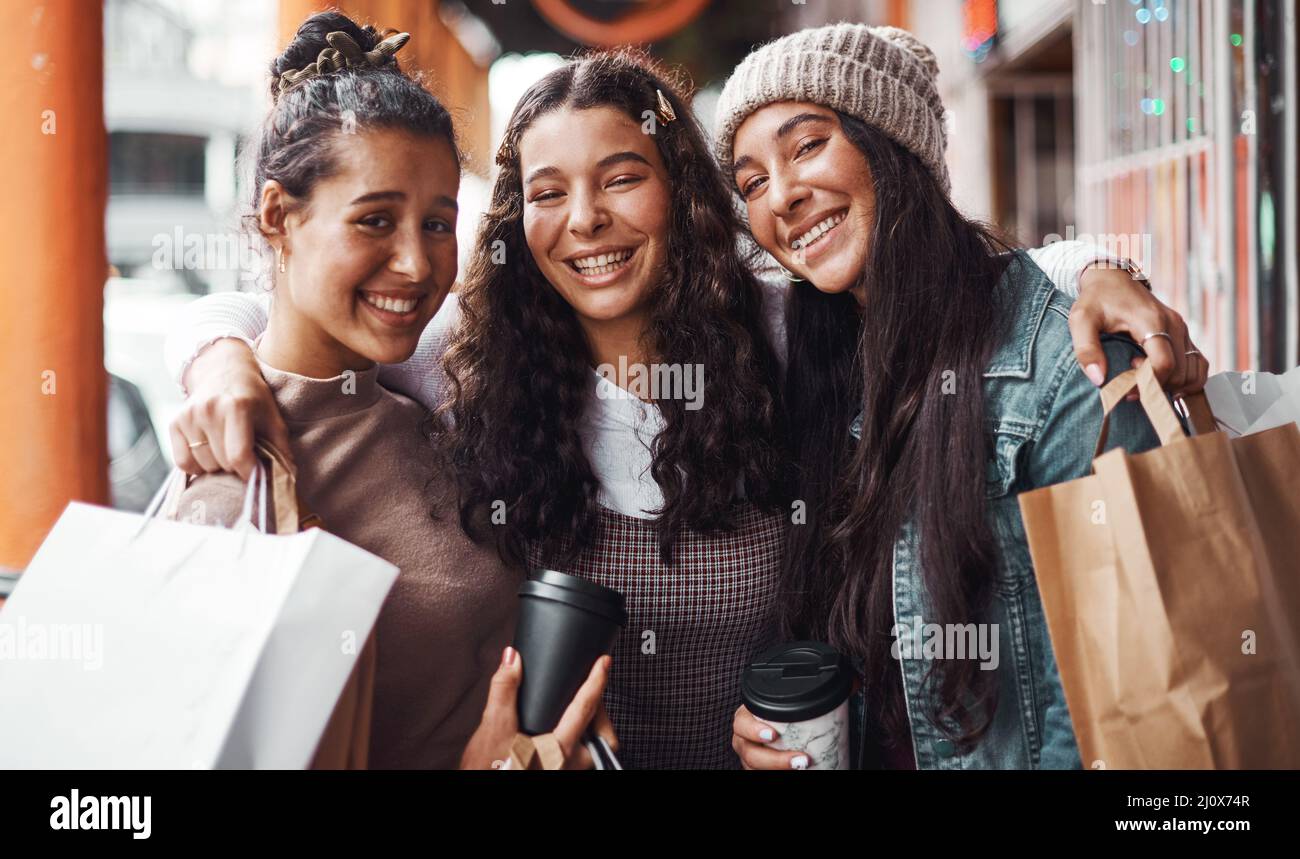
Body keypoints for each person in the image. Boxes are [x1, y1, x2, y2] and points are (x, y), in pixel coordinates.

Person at [164, 47, 1197, 769]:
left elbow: (948, 287)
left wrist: (1098, 268)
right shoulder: (467, 365)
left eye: (622, 179)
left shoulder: (783, 333)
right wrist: (214, 354)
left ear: (684, 194)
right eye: (549, 193)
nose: (587, 222)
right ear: (517, 222)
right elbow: (304, 306)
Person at [716, 23, 1177, 769]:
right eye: (753, 182)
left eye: (805, 147)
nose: (784, 196)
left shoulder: (1068, 365)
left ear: (893, 143)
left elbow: (1127, 702)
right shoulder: (814, 364)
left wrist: (1101, 268)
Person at [170, 10, 611, 769]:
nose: (416, 263)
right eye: (376, 220)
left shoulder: (427, 400)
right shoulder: (236, 483)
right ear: (279, 215)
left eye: (439, 224)